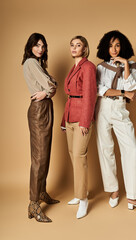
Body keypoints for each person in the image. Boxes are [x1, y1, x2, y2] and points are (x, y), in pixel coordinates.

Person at [96, 30, 136, 213]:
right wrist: (123, 93)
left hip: (120, 109)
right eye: (111, 45)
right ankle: (113, 191)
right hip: (103, 108)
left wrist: (125, 65)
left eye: (118, 45)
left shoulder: (133, 65)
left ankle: (133, 197)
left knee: (131, 149)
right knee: (105, 150)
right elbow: (101, 89)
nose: (114, 49)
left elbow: (132, 86)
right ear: (106, 47)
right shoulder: (100, 67)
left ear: (123, 47)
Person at [22, 33, 60, 223]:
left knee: (45, 153)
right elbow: (52, 85)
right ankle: (33, 203)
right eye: (37, 45)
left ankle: (42, 191)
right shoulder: (30, 63)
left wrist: (49, 89)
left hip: (45, 108)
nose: (40, 49)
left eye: (43, 46)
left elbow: (53, 86)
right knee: (39, 157)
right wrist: (49, 89)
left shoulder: (39, 64)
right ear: (30, 47)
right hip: (39, 111)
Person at [61, 36, 97, 219]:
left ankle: (83, 199)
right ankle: (78, 193)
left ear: (84, 48)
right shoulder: (74, 67)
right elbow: (71, 97)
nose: (74, 48)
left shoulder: (88, 67)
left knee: (79, 155)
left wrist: (85, 122)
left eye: (78, 45)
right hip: (69, 117)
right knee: (71, 154)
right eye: (72, 45)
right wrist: (64, 120)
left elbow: (90, 96)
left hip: (81, 118)